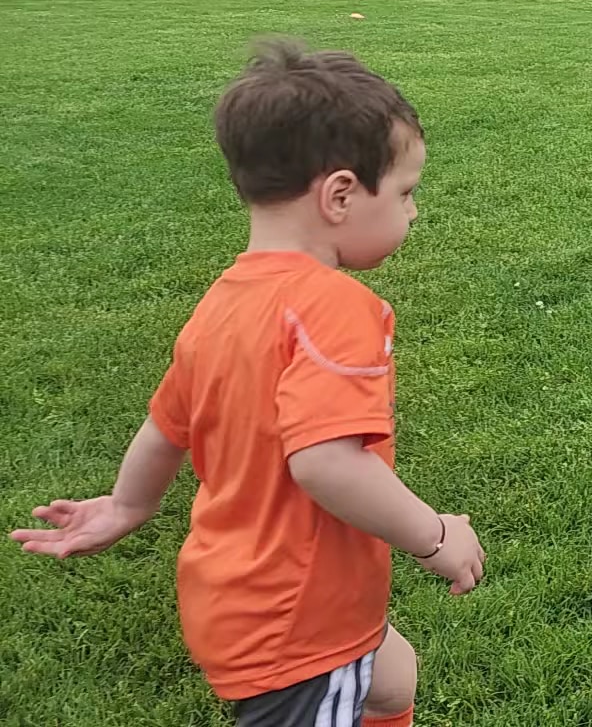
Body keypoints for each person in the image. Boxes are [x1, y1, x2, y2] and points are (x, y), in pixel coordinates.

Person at [10, 42, 483, 727]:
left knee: (389, 677)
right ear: (341, 195)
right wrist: (436, 537)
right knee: (351, 678)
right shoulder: (337, 308)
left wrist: (126, 504)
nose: (413, 212)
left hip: (242, 592)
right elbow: (326, 464)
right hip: (297, 623)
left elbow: (163, 427)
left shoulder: (222, 303)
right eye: (406, 193)